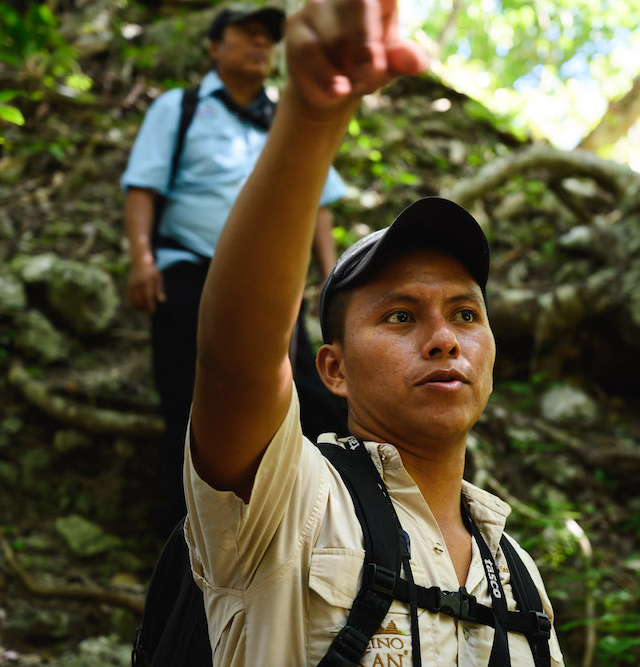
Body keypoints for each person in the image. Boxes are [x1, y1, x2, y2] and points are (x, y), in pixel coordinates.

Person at [185, 0, 565, 664]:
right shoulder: (292, 504)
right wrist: (312, 113)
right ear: (331, 368)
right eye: (400, 316)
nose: (445, 338)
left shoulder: (521, 579)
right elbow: (236, 360)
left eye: (466, 314)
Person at [120, 4, 347, 535]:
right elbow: (143, 185)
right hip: (190, 273)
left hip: (275, 288)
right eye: (245, 34)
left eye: (268, 37)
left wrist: (335, 281)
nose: (260, 44)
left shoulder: (288, 114)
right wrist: (141, 258)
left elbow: (318, 201)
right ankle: (186, 560)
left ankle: (299, 536)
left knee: (305, 406)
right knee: (189, 408)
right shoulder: (181, 107)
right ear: (213, 47)